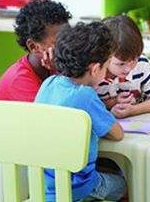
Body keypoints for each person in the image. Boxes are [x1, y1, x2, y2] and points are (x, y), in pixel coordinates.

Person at [0, 0, 71, 173]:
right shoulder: (21, 79)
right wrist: (61, 72)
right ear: (34, 46)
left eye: (69, 38)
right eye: (58, 43)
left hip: (21, 142)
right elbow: (58, 120)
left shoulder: (51, 69)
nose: (67, 47)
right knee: (60, 168)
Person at [35, 22, 126, 202]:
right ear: (94, 69)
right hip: (76, 187)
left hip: (42, 184)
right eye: (106, 66)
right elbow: (117, 134)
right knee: (127, 185)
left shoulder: (49, 83)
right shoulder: (85, 95)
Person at [96, 15, 150, 118]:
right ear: (103, 57)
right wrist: (113, 102)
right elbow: (85, 105)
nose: (129, 68)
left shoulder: (142, 64)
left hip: (140, 123)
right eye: (121, 64)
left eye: (134, 59)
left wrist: (133, 110)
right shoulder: (94, 73)